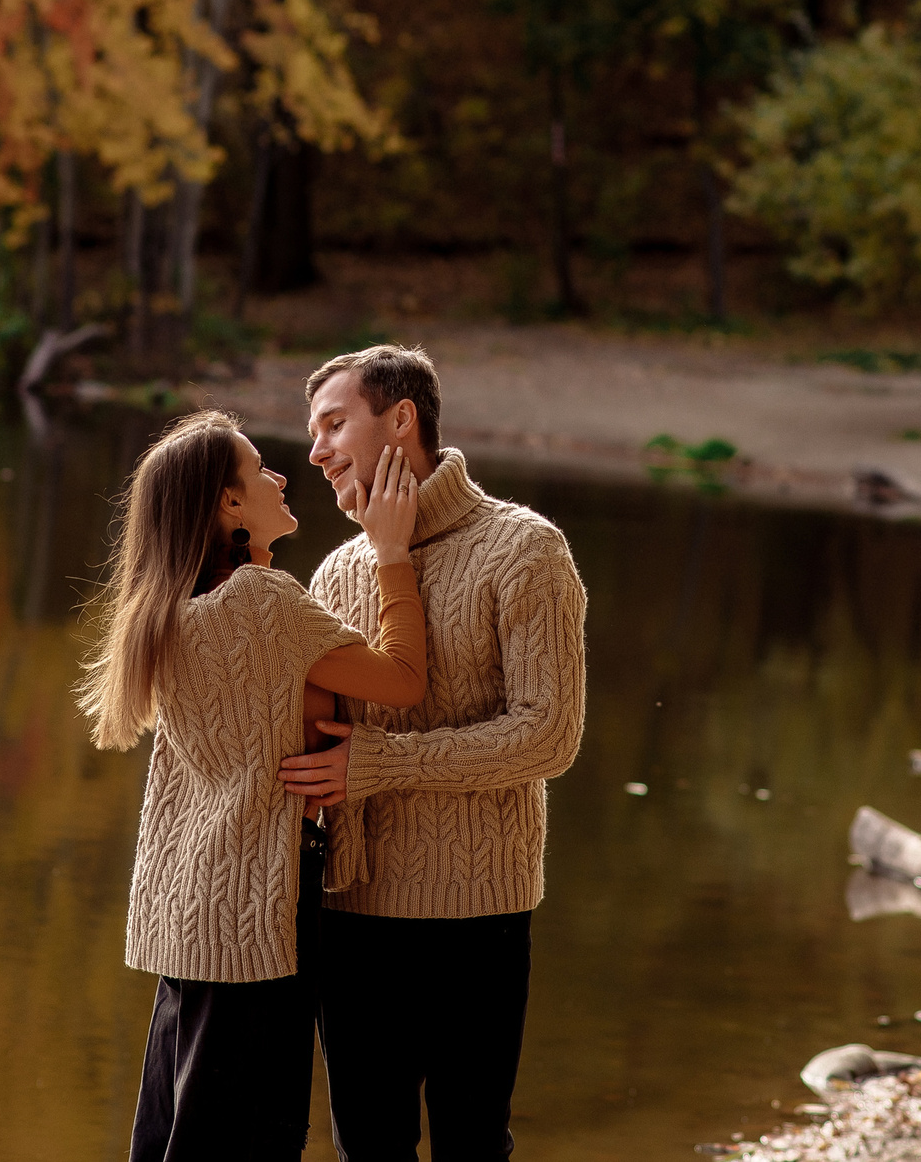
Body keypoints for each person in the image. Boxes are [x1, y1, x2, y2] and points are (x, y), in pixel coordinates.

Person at [79, 408, 428, 1162]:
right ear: (228, 505)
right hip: (254, 921)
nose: (279, 475)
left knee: (182, 1138)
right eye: (259, 467)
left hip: (190, 919)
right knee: (249, 1138)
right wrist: (392, 553)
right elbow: (403, 679)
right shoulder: (261, 603)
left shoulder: (168, 611)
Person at [282, 346, 588, 1161]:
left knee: (471, 1144)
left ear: (402, 419)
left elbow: (550, 734)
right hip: (351, 917)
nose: (315, 451)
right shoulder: (335, 571)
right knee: (367, 1149)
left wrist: (382, 763)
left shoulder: (525, 549)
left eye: (334, 424)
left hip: (477, 918)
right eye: (313, 433)